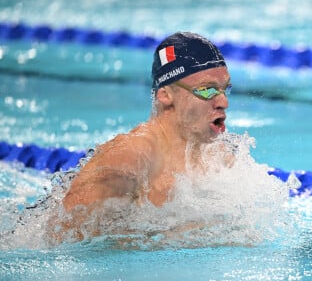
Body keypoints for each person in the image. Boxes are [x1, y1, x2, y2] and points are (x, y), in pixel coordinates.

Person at [51, 31, 233, 242]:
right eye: (207, 90)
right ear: (165, 95)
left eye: (224, 89)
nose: (223, 102)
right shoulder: (134, 155)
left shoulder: (219, 156)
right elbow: (60, 237)